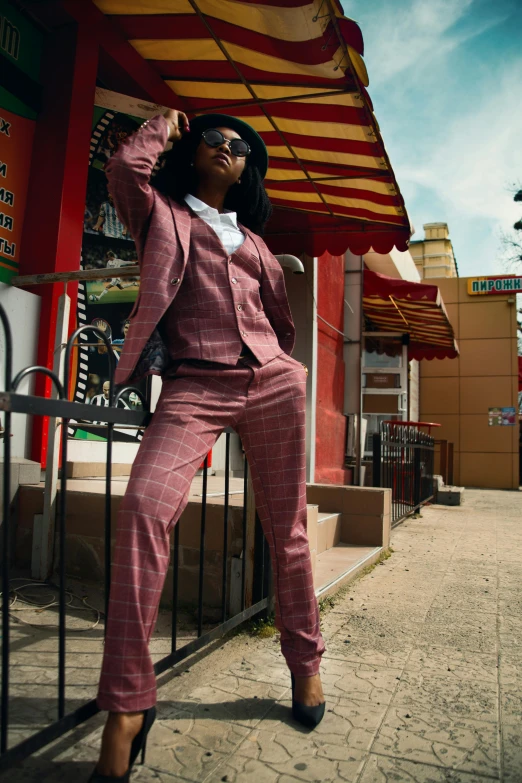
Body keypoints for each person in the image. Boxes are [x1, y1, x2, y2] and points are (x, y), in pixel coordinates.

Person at [89, 108, 325, 783]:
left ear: (249, 170)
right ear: (194, 152)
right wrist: (164, 121)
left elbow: (274, 312)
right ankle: (129, 705)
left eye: (241, 148)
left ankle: (305, 662)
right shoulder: (159, 213)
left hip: (273, 382)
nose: (228, 150)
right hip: (196, 382)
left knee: (289, 531)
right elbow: (122, 169)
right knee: (142, 507)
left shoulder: (251, 237)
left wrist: (284, 362)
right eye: (216, 141)